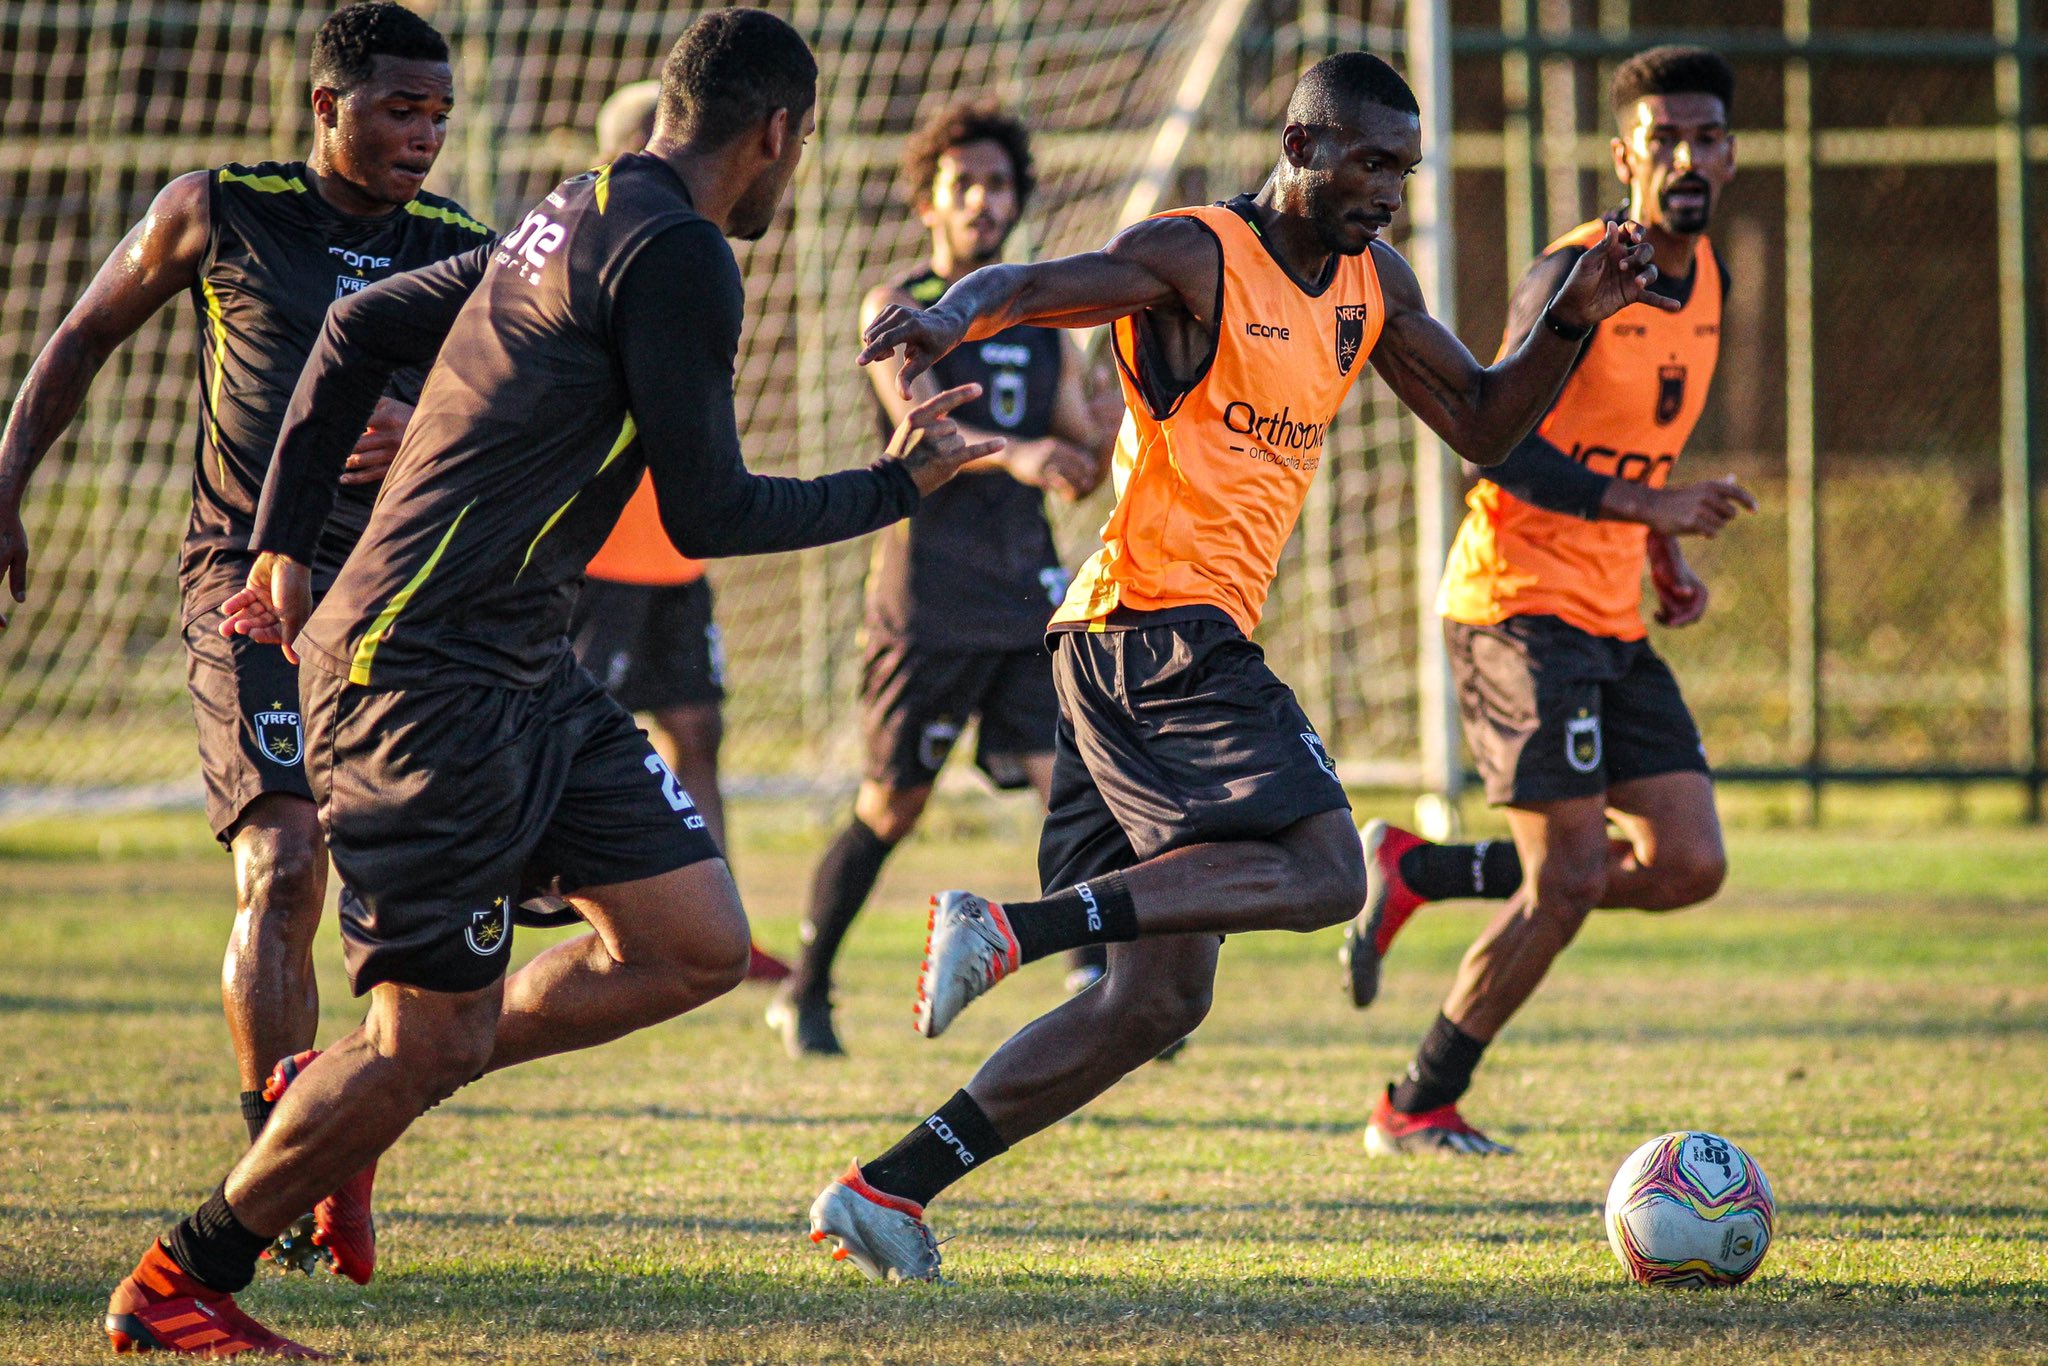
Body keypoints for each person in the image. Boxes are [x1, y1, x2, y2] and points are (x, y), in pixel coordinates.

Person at [102, 10, 995, 1355]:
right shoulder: (681, 253)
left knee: (692, 942)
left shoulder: (577, 207)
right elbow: (707, 509)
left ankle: (350, 1097)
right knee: (429, 1039)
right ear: (776, 136)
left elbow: (352, 327)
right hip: (419, 677)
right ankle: (184, 1272)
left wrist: (285, 542)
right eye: (799, 151)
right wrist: (899, 480)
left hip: (523, 658)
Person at [804, 50, 1678, 1282]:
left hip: (1142, 646)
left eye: (1403, 171)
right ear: (1301, 145)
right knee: (1327, 871)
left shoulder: (1371, 283)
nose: (1386, 190)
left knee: (1155, 1002)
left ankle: (883, 1189)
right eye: (1367, 162)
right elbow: (1045, 282)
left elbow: (1482, 422)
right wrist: (953, 314)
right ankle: (1008, 926)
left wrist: (1569, 321)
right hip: (1153, 632)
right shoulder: (1199, 252)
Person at [0, 1, 487, 1285]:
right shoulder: (220, 208)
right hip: (248, 582)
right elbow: (85, 337)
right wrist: (5, 476)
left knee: (403, 894)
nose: (424, 137)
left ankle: (336, 1152)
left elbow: (521, 400)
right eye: (400, 109)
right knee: (284, 859)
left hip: (390, 596)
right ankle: (270, 1160)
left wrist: (422, 437)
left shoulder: (462, 249)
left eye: (438, 113)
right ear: (326, 106)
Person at [1342, 45, 1753, 1157]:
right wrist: (1647, 507)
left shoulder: (1704, 274)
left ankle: (1415, 870)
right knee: (1566, 876)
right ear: (1624, 156)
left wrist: (1659, 551)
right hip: (1515, 604)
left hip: (1609, 610)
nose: (1684, 157)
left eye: (1703, 137)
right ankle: (1415, 1102)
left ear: (1729, 154)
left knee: (1686, 860)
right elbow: (1496, 448)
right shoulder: (1573, 275)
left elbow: (1633, 443)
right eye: (1661, 139)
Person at [767, 99, 1112, 1059]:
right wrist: (1031, 450)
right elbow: (930, 430)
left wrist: (1117, 395)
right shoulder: (899, 304)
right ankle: (807, 987)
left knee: (1069, 788)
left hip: (1025, 597)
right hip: (927, 600)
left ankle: (1099, 981)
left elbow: (1084, 446)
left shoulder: (1041, 322)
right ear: (929, 200)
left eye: (999, 185)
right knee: (893, 806)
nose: (984, 201)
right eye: (964, 184)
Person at [550, 77, 793, 985]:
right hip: (601, 561)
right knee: (567, 737)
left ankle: (723, 916)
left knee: (698, 729)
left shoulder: (695, 260)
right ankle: (548, 903)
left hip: (678, 556)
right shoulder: (597, 258)